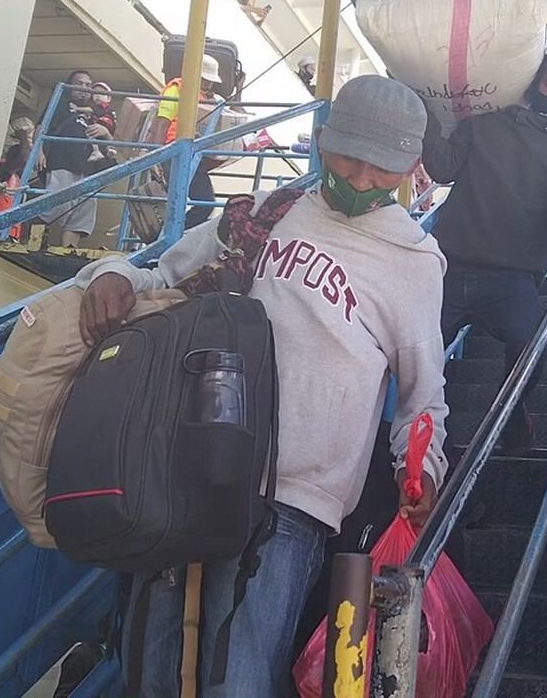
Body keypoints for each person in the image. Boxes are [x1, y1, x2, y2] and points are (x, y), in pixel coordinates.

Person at [74, 74, 450, 696]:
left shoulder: (414, 261)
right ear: (323, 142)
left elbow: (422, 394)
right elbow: (166, 271)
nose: (360, 179)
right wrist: (111, 273)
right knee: (154, 668)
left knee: (240, 680)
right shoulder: (273, 212)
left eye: (381, 168)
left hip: (295, 500)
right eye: (348, 156)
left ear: (411, 165)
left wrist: (422, 467)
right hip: (189, 465)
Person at [423, 45, 547, 451]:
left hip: (512, 278)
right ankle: (416, 439)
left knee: (533, 344)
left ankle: (511, 413)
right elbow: (442, 166)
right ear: (534, 83)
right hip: (447, 267)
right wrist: (421, 102)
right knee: (414, 361)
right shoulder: (484, 126)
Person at [38, 69, 115, 248]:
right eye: (79, 84)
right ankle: (33, 241)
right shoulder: (60, 104)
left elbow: (112, 143)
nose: (84, 88)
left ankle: (69, 250)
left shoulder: (95, 113)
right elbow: (41, 126)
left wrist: (106, 132)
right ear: (70, 86)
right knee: (52, 206)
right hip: (62, 163)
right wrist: (39, 152)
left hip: (88, 170)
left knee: (81, 215)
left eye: (88, 85)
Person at [149, 54, 224, 229]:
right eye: (205, 79)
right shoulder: (176, 89)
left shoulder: (210, 99)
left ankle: (173, 236)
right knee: (198, 202)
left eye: (210, 81)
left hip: (192, 154)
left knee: (203, 203)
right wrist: (158, 158)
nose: (208, 84)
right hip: (173, 152)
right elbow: (162, 122)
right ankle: (171, 237)